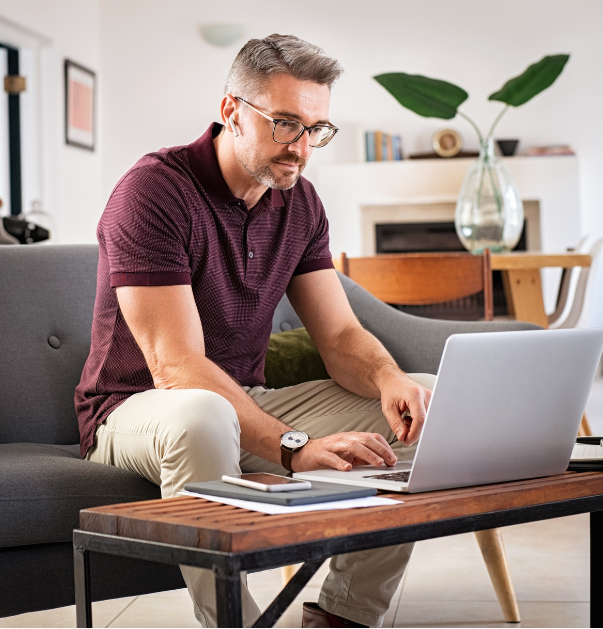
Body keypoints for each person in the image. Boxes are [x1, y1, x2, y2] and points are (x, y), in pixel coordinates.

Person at [75, 35, 436, 628]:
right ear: (231, 111)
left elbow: (340, 337)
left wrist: (389, 378)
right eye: (285, 123)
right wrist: (293, 448)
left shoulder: (300, 204)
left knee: (422, 403)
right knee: (202, 414)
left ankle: (343, 618)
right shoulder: (152, 193)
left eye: (316, 129)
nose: (301, 147)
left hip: (246, 401)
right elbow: (175, 366)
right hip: (135, 409)